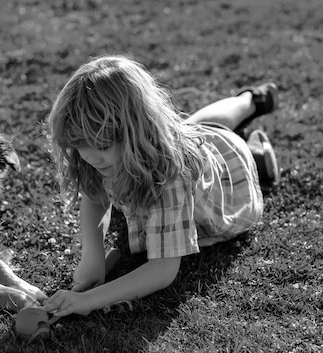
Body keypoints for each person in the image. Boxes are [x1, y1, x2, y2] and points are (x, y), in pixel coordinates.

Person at [43, 55, 279, 319]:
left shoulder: (170, 175)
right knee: (198, 125)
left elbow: (162, 270)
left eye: (102, 146)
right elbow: (95, 198)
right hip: (196, 137)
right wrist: (93, 257)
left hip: (228, 173)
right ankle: (252, 107)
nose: (90, 157)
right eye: (80, 147)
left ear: (135, 134)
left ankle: (251, 110)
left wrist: (89, 300)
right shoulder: (103, 155)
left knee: (216, 131)